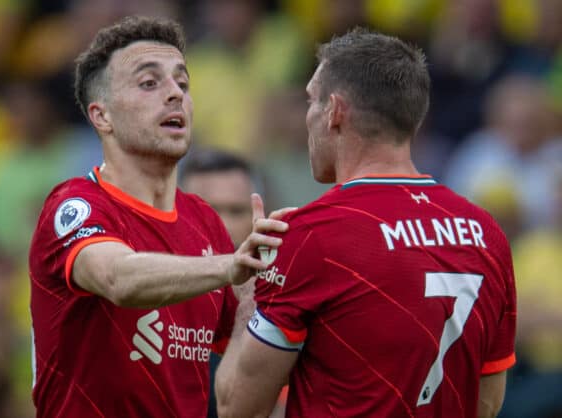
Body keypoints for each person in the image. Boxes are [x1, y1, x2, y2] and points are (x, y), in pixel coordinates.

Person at [215, 28, 517, 418]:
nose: (307, 116)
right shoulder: (486, 234)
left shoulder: (313, 235)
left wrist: (251, 294)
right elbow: (487, 402)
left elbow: (236, 406)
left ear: (335, 111)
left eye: (311, 100)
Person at [28, 16, 288, 418]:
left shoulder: (204, 222)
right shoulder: (74, 205)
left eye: (182, 84)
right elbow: (119, 279)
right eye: (149, 83)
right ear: (102, 117)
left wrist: (258, 300)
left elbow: (237, 392)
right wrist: (231, 266)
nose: (175, 95)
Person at [180, 148, 288, 418]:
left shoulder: (283, 303)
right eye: (209, 210)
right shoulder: (147, 300)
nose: (224, 225)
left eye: (237, 211)